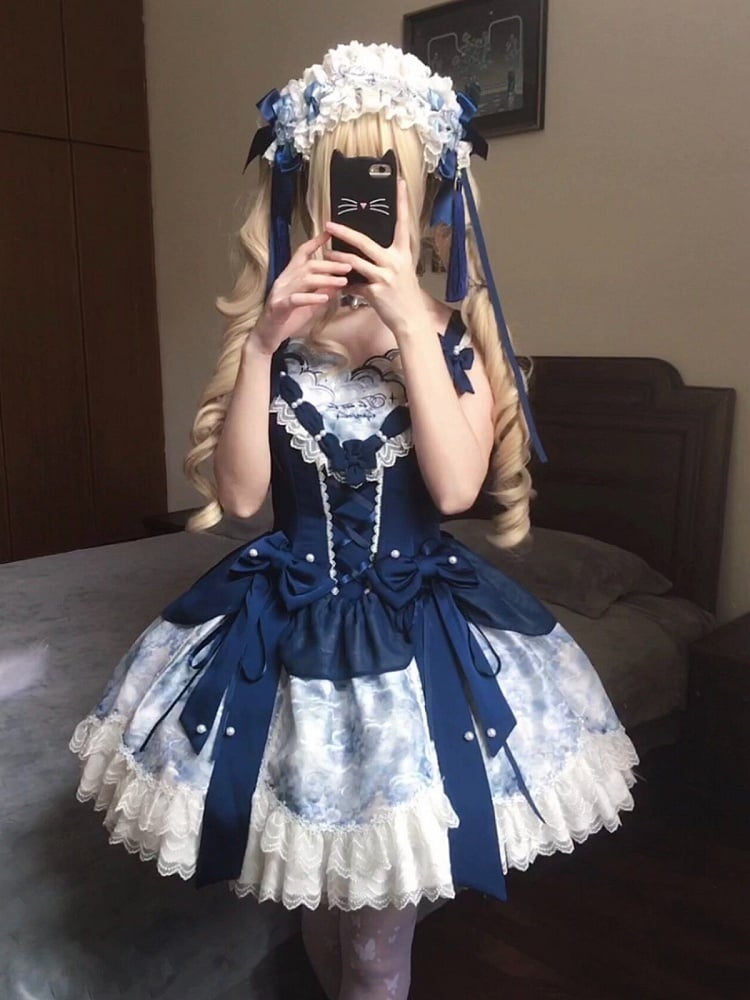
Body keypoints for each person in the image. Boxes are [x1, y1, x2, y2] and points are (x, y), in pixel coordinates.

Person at [69, 41, 639, 1000]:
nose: (369, 204)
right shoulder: (278, 330)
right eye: (347, 180)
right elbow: (241, 501)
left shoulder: (448, 334)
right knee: (319, 906)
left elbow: (454, 491)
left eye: (390, 180)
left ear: (428, 194)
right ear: (309, 193)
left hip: (413, 648)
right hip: (282, 633)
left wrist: (414, 323)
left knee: (374, 950)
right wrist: (263, 344)